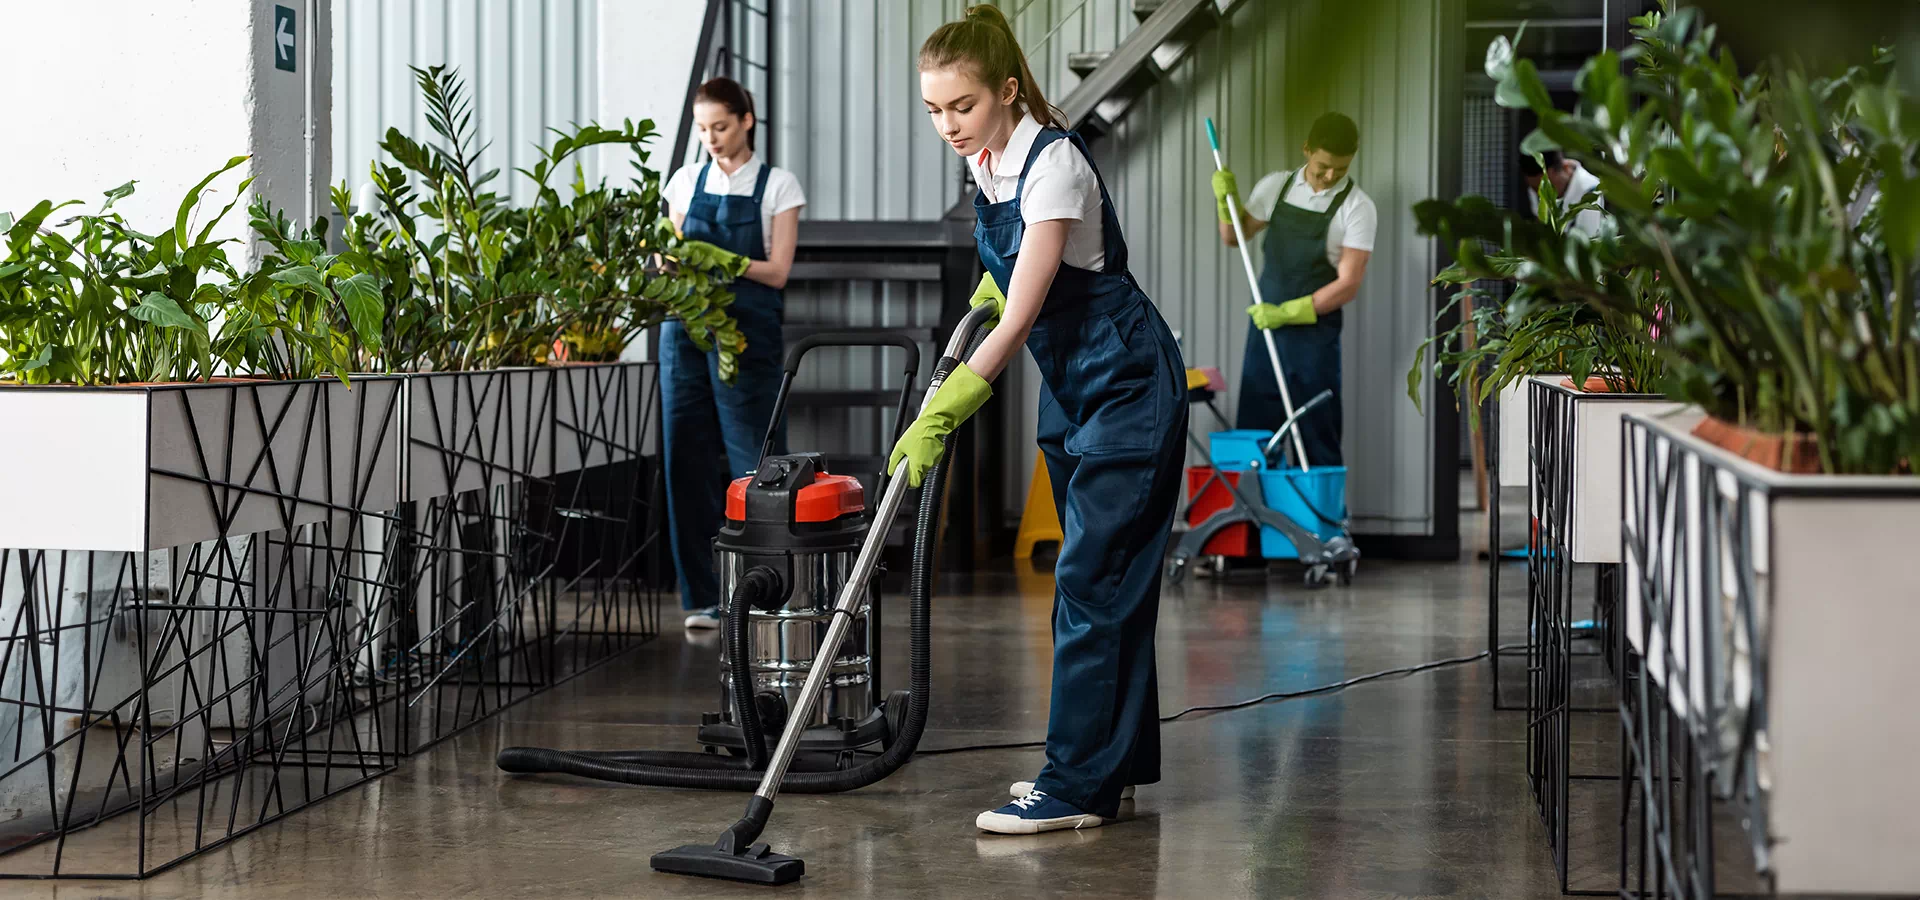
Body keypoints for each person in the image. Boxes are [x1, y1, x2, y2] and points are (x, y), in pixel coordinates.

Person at [893, 5, 1187, 835]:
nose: (949, 126)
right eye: (935, 110)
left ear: (1008, 92)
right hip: (1071, 391)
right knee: (1109, 583)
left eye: (963, 107)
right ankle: (1114, 766)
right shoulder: (988, 162)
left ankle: (1072, 789)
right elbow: (1021, 273)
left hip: (1126, 383)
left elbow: (1019, 318)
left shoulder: (1051, 165)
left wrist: (944, 409)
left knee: (1091, 581)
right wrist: (996, 284)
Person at [661, 77, 807, 630]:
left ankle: (766, 592)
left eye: (720, 126)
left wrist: (716, 257)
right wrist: (670, 264)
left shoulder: (779, 186)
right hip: (685, 333)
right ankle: (701, 597)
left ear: (747, 120)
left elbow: (777, 271)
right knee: (685, 459)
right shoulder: (685, 181)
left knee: (756, 461)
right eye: (702, 129)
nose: (711, 139)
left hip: (747, 333)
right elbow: (667, 258)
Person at [1209, 112, 1377, 467]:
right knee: (1257, 436)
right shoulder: (1276, 187)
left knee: (1319, 433)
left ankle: (1320, 521)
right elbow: (1233, 236)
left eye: (1341, 169)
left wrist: (1288, 312)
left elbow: (1347, 285)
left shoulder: (1357, 208)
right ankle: (1255, 523)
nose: (1330, 177)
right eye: (1323, 167)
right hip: (1266, 335)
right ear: (1307, 150)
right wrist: (1226, 202)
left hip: (1314, 341)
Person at [1521, 150, 1605, 237]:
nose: (1539, 194)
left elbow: (1588, 241)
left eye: (1546, 187)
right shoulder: (1536, 187)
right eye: (1534, 188)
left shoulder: (1591, 192)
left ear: (1564, 168)